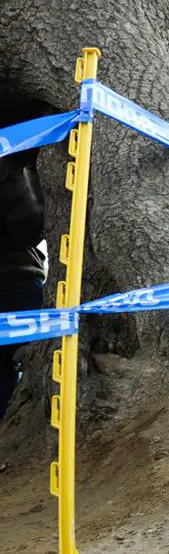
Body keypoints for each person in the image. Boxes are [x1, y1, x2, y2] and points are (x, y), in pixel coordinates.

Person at [0, 149, 47, 423]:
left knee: (15, 368)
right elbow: (31, 224)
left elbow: (31, 224)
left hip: (13, 282)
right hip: (14, 281)